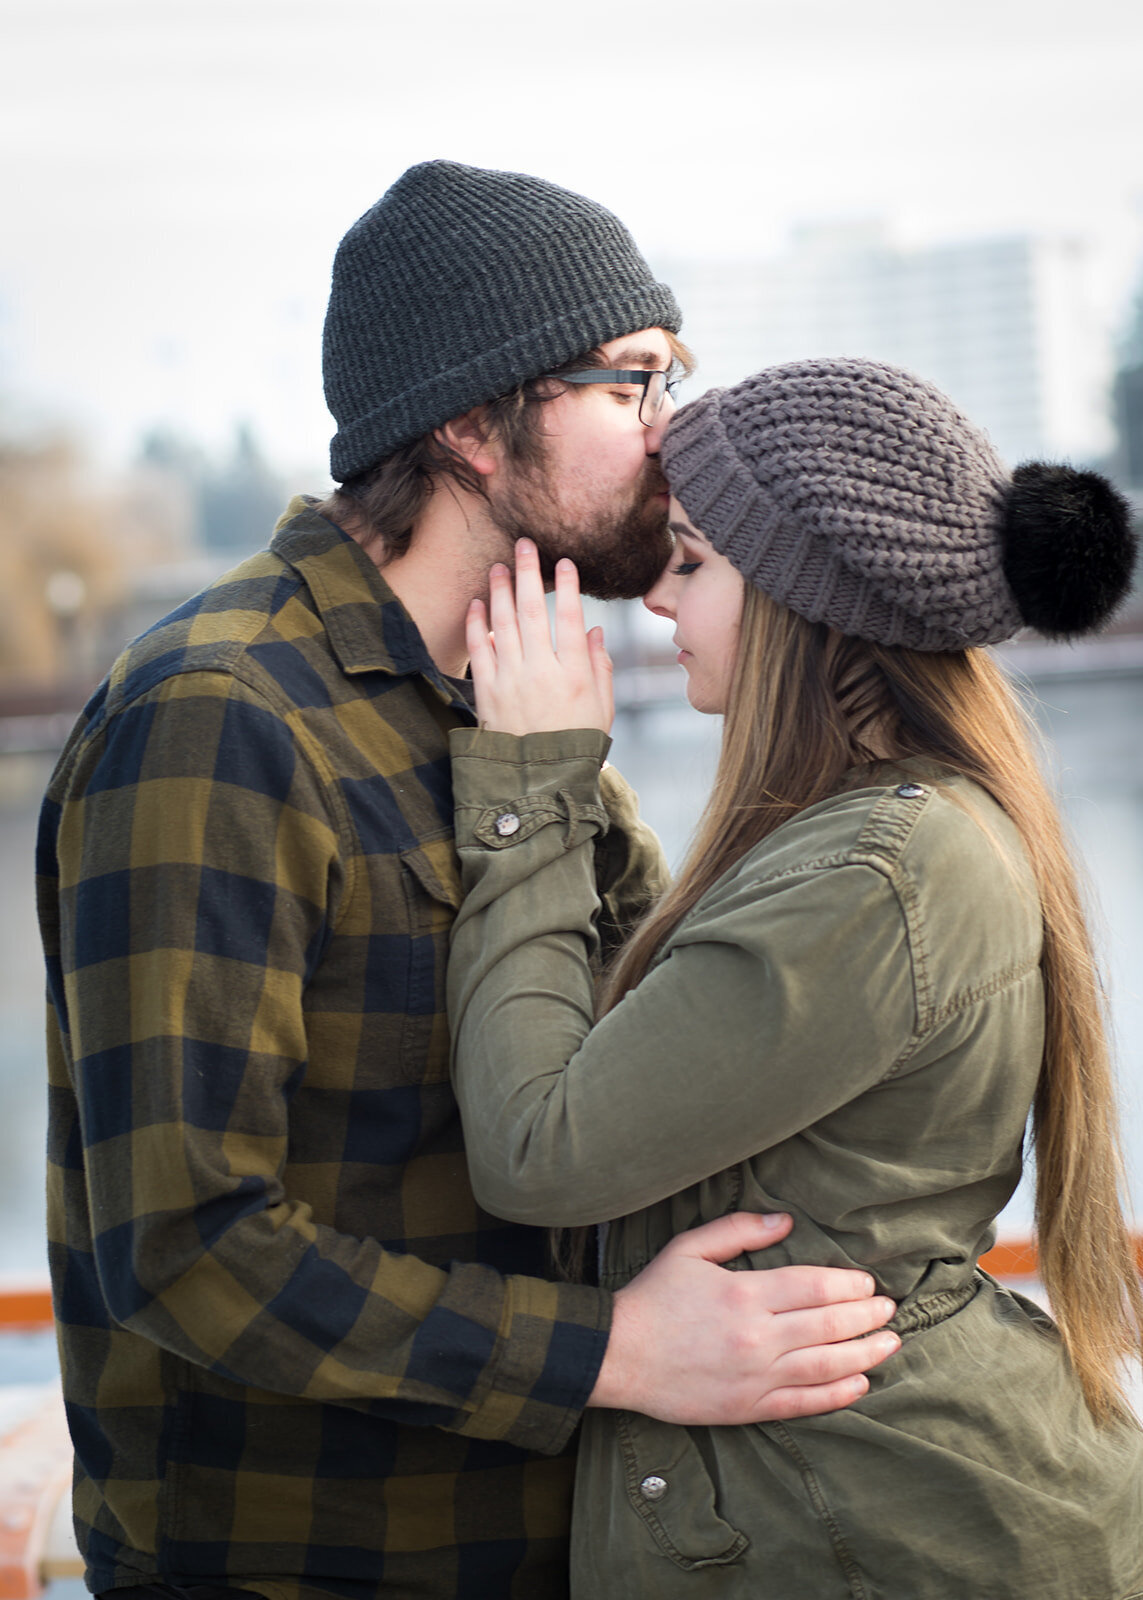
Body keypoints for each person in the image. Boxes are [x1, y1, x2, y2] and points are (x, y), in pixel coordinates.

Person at [37, 167, 899, 1600]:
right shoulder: (221, 714)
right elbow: (189, 1244)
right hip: (303, 1568)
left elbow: (638, 1061)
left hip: (557, 1547)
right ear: (466, 425)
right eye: (628, 383)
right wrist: (617, 1350)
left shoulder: (512, 706)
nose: (669, 430)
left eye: (669, 376)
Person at [446, 358, 1143, 1598]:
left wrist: (530, 786)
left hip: (877, 1531)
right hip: (873, 1509)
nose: (659, 592)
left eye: (698, 560)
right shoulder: (875, 834)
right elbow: (666, 1034)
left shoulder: (883, 872)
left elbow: (539, 1147)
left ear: (800, 603)